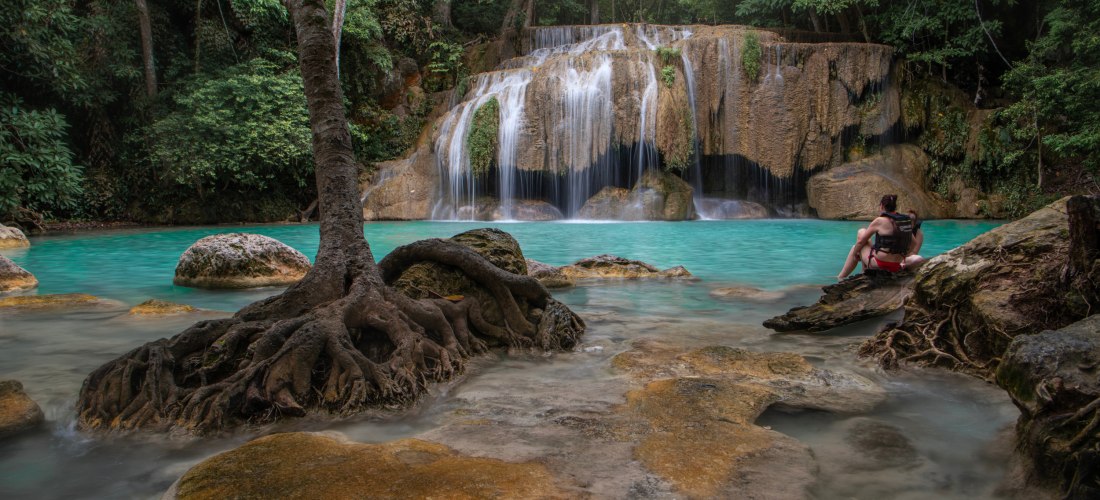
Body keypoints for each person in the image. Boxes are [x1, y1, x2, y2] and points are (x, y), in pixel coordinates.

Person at [836, 194, 918, 280]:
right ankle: (860, 273)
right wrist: (903, 255)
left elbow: (861, 242)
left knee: (860, 236)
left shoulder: (880, 221)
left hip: (880, 264)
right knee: (859, 244)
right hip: (896, 265)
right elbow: (914, 243)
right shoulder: (904, 221)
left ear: (882, 206)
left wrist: (855, 255)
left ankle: (841, 277)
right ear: (895, 207)